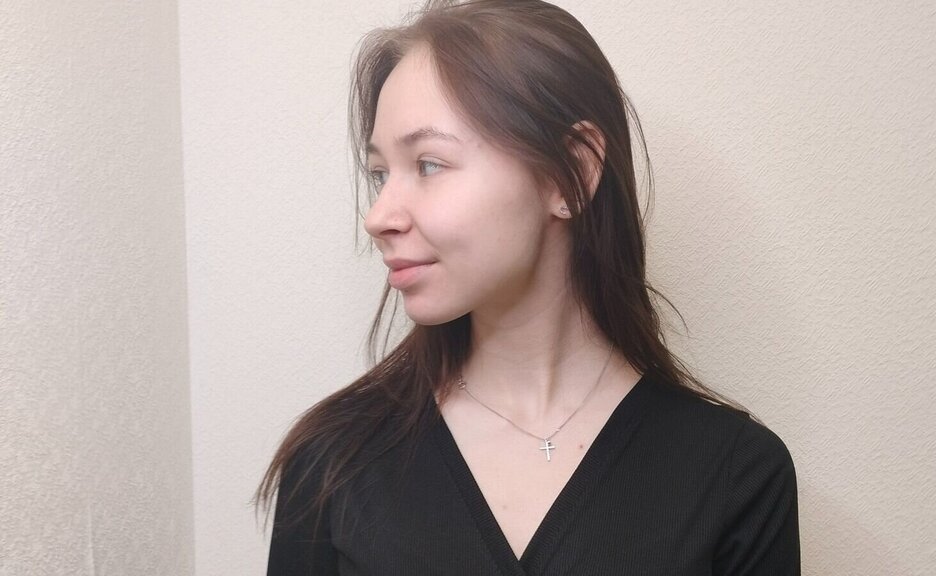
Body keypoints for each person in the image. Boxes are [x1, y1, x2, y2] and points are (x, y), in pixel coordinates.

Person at [255, 0, 800, 574]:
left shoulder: (734, 476)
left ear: (572, 172)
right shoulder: (334, 463)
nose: (379, 217)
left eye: (429, 164)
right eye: (380, 174)